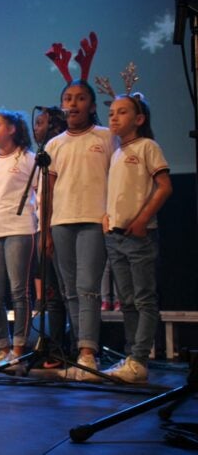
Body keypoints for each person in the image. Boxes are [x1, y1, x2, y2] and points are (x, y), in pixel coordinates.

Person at [44, 32, 117, 381]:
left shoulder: (106, 137)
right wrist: (45, 229)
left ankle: (89, 353)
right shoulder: (54, 144)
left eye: (80, 98)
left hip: (92, 220)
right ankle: (79, 351)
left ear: (91, 105)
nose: (73, 103)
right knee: (70, 290)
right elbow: (50, 189)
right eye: (68, 98)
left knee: (88, 287)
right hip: (61, 223)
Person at [101, 93, 171, 383]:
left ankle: (140, 358)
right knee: (127, 300)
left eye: (122, 112)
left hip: (139, 236)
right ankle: (130, 358)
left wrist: (142, 219)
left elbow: (164, 186)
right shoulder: (116, 152)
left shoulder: (147, 147)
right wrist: (106, 218)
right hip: (115, 236)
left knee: (143, 299)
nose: (114, 117)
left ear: (139, 119)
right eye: (112, 113)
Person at [0, 110, 37, 366]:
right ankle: (2, 349)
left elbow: (41, 191)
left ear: (12, 129)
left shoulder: (27, 158)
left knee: (18, 290)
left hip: (20, 229)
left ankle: (19, 348)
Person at [33, 107, 70, 367]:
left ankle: (81, 349)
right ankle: (55, 348)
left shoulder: (60, 149)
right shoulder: (41, 156)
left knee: (72, 292)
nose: (36, 127)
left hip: (62, 224)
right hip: (43, 227)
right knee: (52, 295)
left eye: (41, 122)